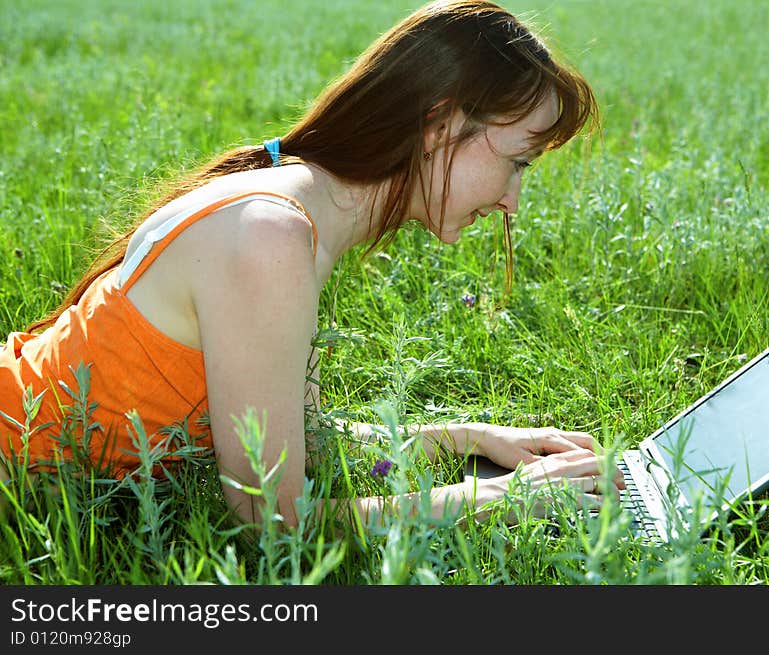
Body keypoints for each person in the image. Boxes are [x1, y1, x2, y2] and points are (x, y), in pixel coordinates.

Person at [0, 0, 623, 529]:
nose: (514, 202)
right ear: (439, 127)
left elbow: (305, 440)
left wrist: (472, 440)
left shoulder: (296, 217)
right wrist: (488, 498)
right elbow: (271, 518)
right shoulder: (268, 238)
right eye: (518, 162)